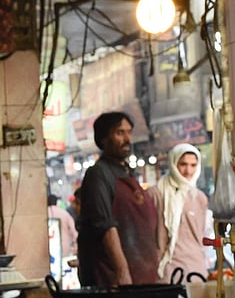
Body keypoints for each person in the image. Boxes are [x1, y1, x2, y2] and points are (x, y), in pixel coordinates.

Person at [74, 112, 161, 287]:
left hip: (141, 276)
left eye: (129, 132)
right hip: (111, 278)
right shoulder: (98, 174)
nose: (127, 139)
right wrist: (122, 272)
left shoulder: (128, 173)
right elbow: (105, 225)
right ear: (103, 139)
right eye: (120, 133)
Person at [154, 143, 212, 284]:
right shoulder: (156, 194)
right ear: (173, 164)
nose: (188, 171)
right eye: (183, 164)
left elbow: (205, 236)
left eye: (193, 165)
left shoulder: (200, 198)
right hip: (166, 272)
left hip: (196, 271)